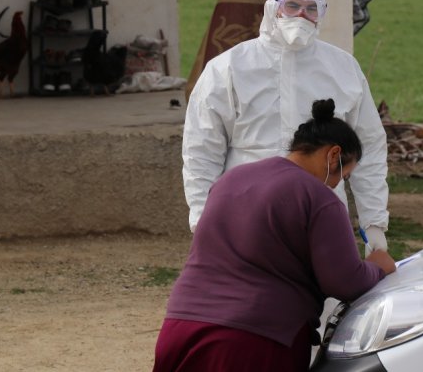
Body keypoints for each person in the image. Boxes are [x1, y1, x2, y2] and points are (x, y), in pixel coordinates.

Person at [153, 99, 396, 371]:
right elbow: (344, 281)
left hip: (181, 327)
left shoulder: (231, 179)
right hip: (250, 340)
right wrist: (377, 266)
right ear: (333, 155)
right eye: (345, 175)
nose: (338, 183)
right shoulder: (318, 199)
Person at [182, 0, 389, 253]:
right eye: (292, 5)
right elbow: (201, 150)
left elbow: (370, 147)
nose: (302, 15)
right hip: (248, 209)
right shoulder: (229, 68)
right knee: (257, 292)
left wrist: (374, 223)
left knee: (327, 291)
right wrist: (203, 219)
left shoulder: (343, 69)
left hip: (322, 210)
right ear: (272, 7)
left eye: (311, 8)